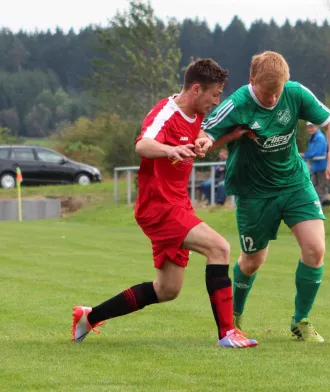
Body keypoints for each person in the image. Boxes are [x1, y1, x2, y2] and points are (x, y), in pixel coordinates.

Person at [71, 59, 258, 349]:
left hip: (178, 205)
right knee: (219, 248)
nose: (216, 101)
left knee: (167, 289)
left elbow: (196, 144)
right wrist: (171, 149)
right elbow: (142, 145)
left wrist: (228, 137)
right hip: (158, 207)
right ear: (197, 89)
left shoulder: (196, 114)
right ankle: (227, 333)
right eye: (214, 94)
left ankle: (89, 316)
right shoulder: (165, 113)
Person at [202, 51, 330, 342]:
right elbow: (203, 139)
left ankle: (300, 321)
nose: (271, 100)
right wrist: (228, 137)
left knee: (315, 249)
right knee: (253, 260)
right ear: (252, 80)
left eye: (276, 93)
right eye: (266, 93)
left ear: (286, 82)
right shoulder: (237, 104)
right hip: (254, 192)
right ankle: (233, 319)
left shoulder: (295, 93)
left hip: (294, 183)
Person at [302, 122, 330, 206]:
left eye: (312, 127)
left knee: (321, 184)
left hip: (321, 165)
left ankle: (323, 201)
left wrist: (305, 154)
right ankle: (319, 202)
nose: (310, 129)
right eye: (309, 127)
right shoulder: (313, 137)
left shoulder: (319, 137)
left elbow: (316, 152)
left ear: (317, 127)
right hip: (315, 165)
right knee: (314, 184)